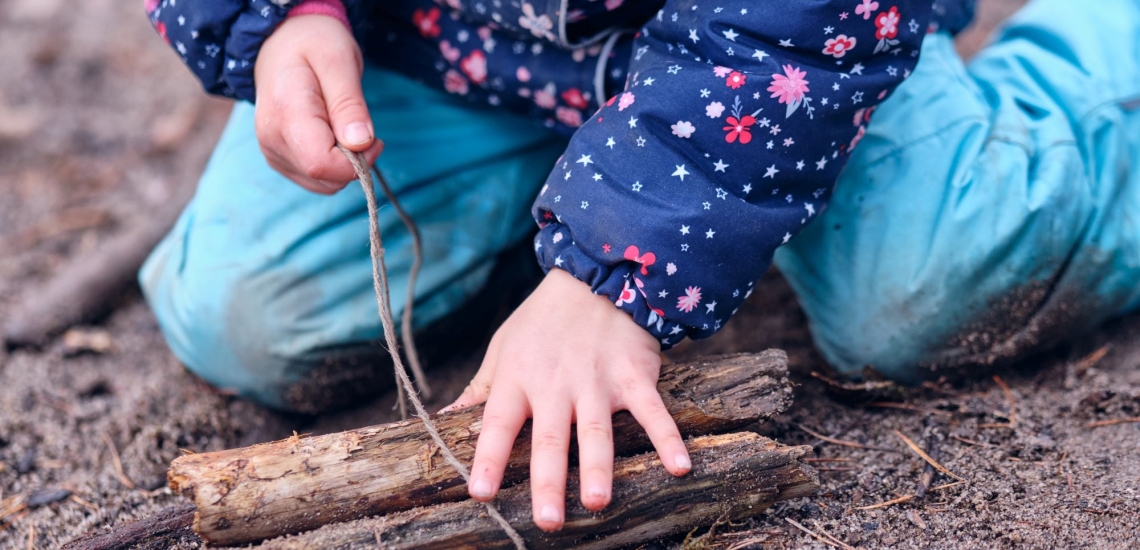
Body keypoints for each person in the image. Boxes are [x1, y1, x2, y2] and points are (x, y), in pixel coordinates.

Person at [142, 0, 1140, 532]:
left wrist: (615, 271)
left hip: (779, 52)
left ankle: (1108, 52)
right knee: (247, 316)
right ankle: (575, 178)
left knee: (929, 287)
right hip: (444, 45)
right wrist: (280, 16)